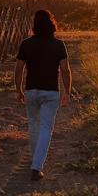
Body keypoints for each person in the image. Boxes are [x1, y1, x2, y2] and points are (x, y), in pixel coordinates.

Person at [14, 9, 71, 181]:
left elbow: (18, 69)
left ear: (35, 25)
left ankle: (35, 160)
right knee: (46, 127)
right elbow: (65, 71)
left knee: (33, 125)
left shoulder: (26, 44)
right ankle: (37, 167)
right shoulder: (58, 45)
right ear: (52, 24)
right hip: (51, 92)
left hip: (31, 91)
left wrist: (18, 89)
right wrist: (67, 91)